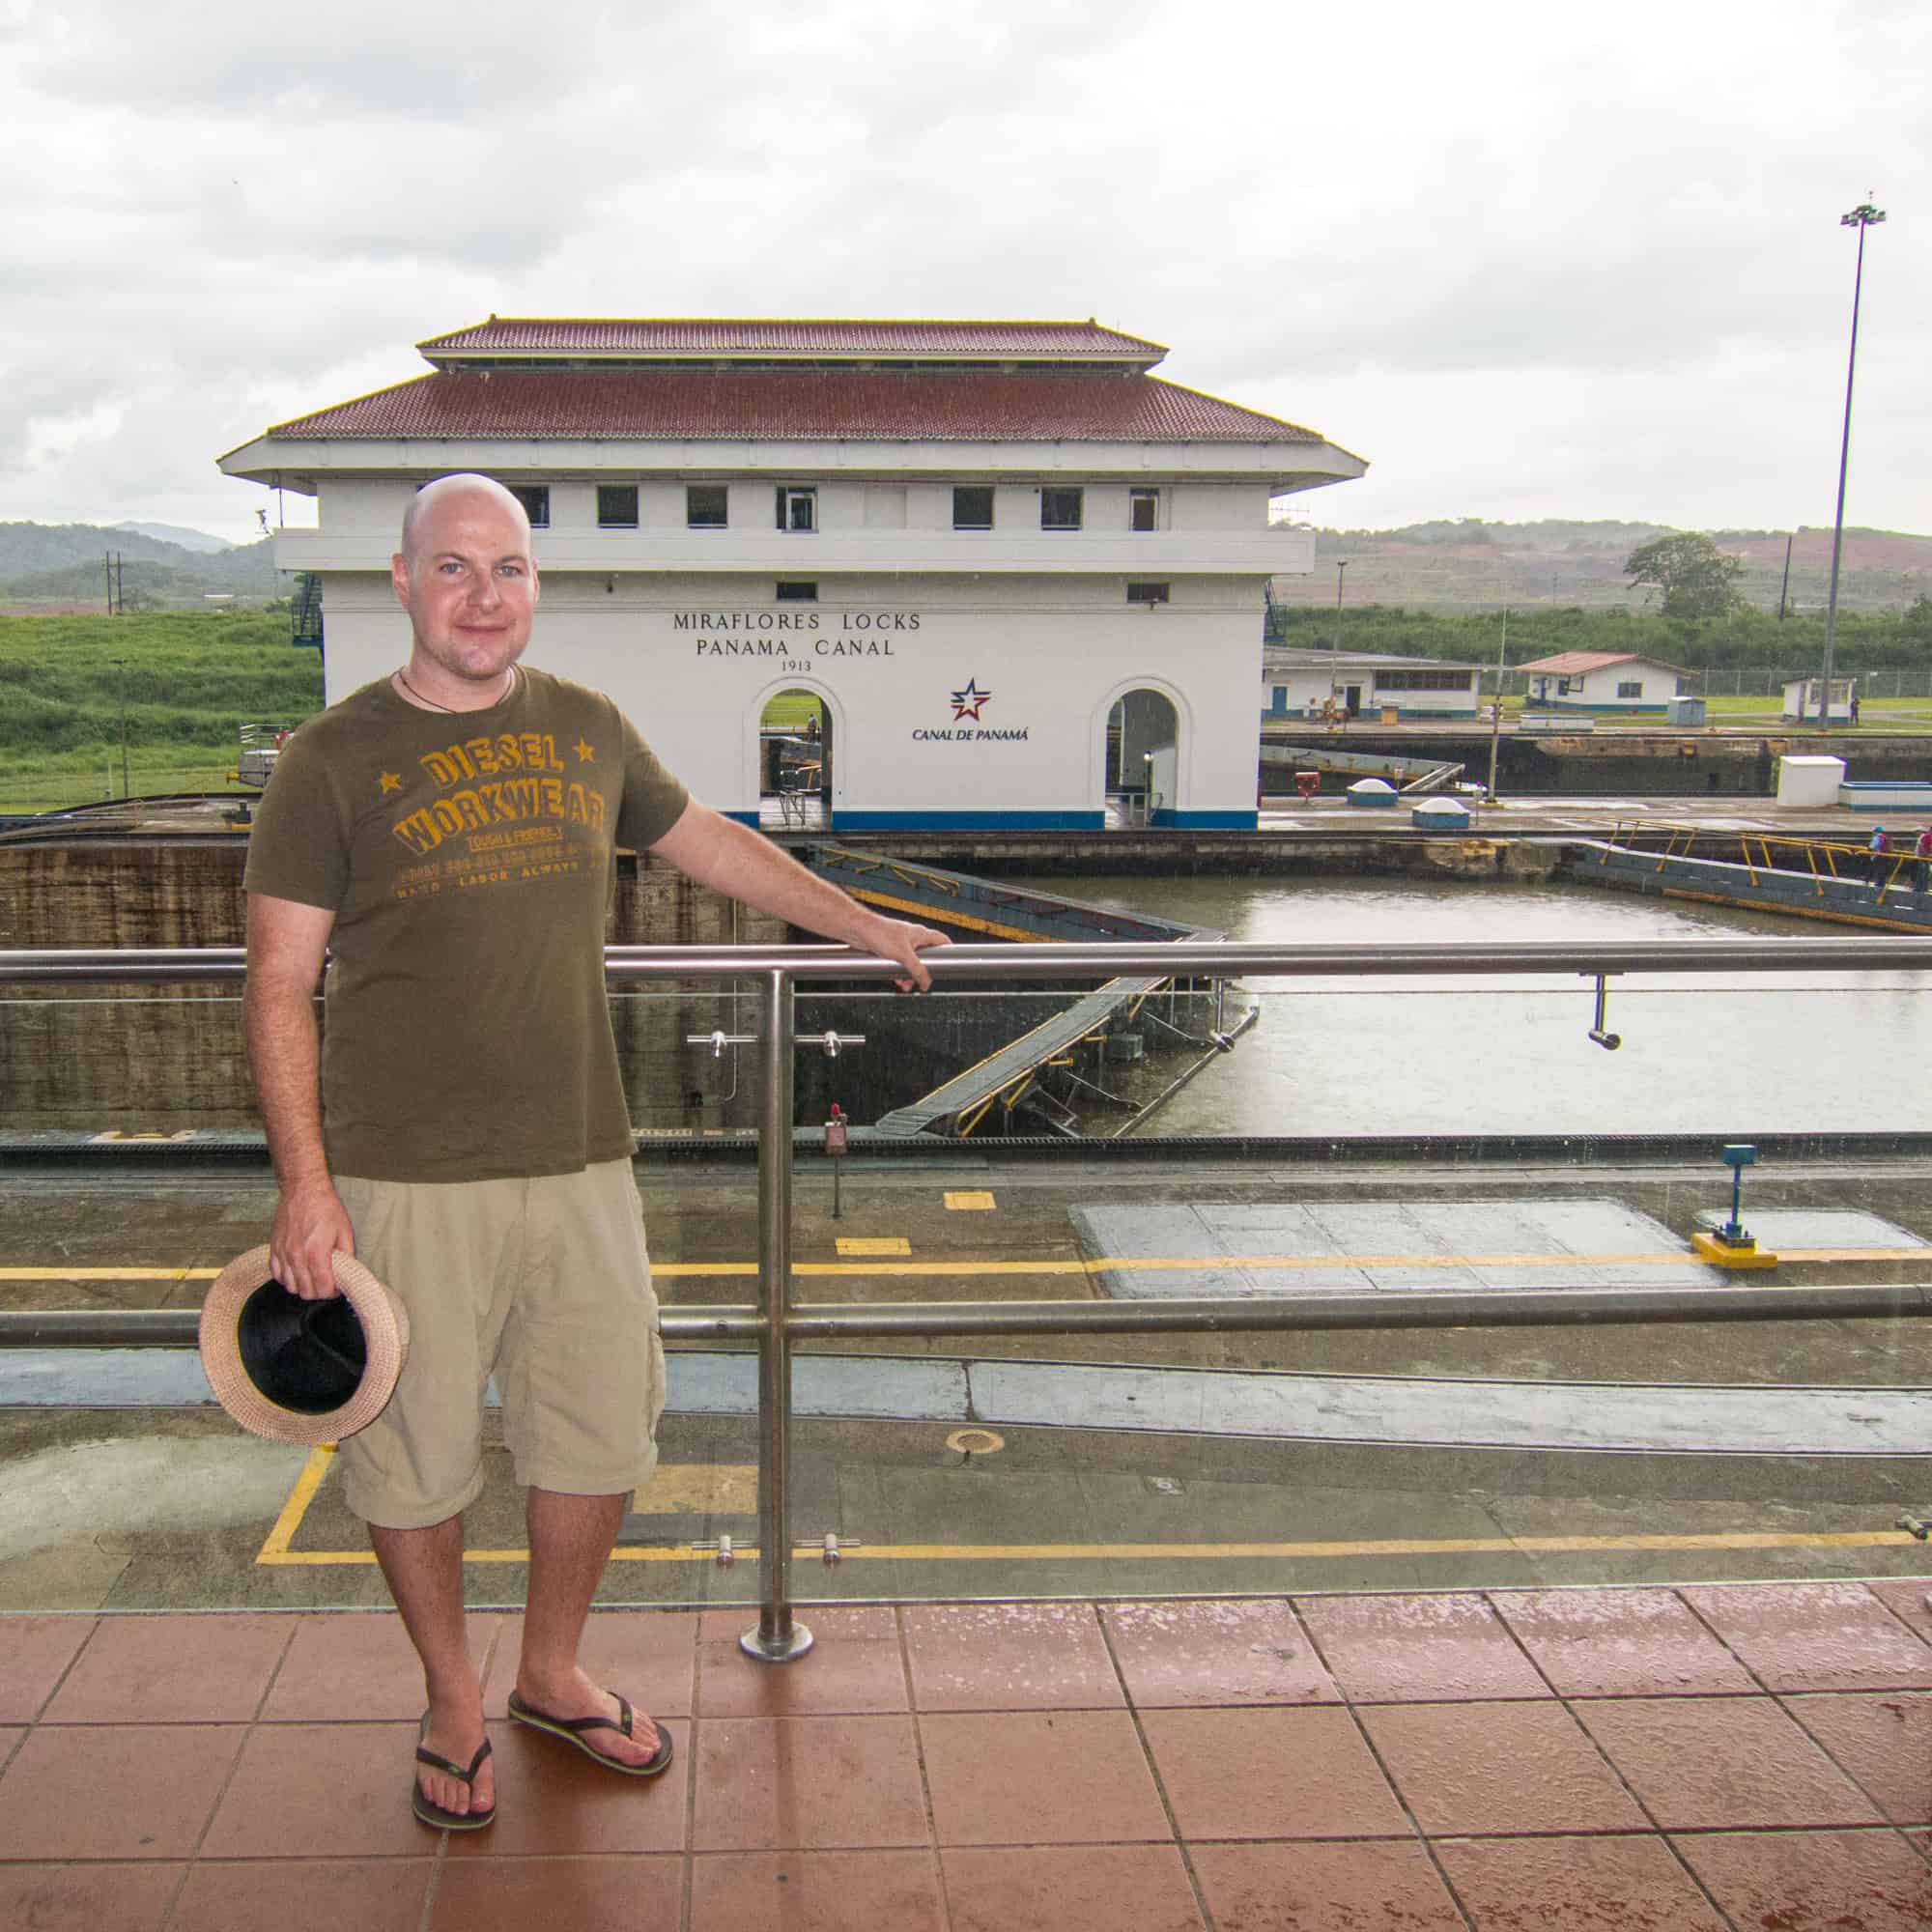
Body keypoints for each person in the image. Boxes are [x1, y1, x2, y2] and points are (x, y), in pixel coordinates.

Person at [242, 473, 947, 1833]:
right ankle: (454, 1696)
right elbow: (279, 982)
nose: (483, 597)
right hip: (402, 1177)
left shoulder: (585, 728)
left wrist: (859, 926)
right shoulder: (332, 759)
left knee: (597, 1434)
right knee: (414, 1455)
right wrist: (307, 1186)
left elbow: (712, 847)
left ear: (534, 586)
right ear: (403, 583)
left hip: (580, 1160)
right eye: (453, 569)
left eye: (506, 569)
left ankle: (551, 1669)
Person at [1868, 823, 1890, 895]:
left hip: (1878, 855)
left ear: (1876, 831)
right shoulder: (1885, 837)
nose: (1873, 832)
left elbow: (1873, 846)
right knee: (1882, 870)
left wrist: (1869, 848)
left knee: (1877, 870)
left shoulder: (1876, 837)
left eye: (1873, 831)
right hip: (1885, 856)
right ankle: (1881, 884)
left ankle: (1877, 885)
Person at [1914, 826, 1932, 895]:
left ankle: (1923, 888)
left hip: (1924, 857)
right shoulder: (1928, 836)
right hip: (1922, 857)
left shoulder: (1928, 836)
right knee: (1922, 872)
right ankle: (1918, 888)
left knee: (1925, 873)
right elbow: (1921, 845)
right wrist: (1925, 853)